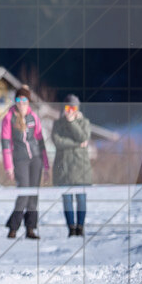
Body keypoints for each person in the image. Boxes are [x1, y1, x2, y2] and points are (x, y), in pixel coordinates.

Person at [1, 86, 49, 239]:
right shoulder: (9, 118)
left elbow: (41, 142)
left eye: (24, 100)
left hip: (35, 159)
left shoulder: (33, 117)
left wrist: (46, 165)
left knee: (33, 194)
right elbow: (6, 144)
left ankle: (30, 228)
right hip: (20, 159)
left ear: (28, 102)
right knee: (24, 192)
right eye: (18, 100)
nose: (21, 103)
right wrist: (8, 166)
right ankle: (13, 228)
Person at [52, 94, 91, 237]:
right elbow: (57, 142)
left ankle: (80, 227)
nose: (70, 111)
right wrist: (76, 145)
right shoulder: (58, 124)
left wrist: (72, 122)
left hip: (81, 167)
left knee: (81, 198)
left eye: (73, 108)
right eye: (67, 107)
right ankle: (71, 228)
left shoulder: (84, 122)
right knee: (67, 199)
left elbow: (83, 137)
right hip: (63, 167)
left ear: (77, 108)